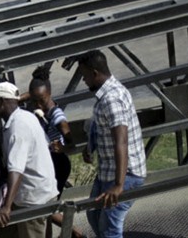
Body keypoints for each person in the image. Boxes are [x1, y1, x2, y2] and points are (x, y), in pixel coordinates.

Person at [78, 50, 146, 238]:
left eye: (84, 76)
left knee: (109, 228)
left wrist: (118, 185)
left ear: (94, 73)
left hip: (125, 174)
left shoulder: (111, 98)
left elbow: (121, 140)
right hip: (108, 170)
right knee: (94, 214)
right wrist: (90, 145)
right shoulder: (107, 93)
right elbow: (103, 126)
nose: (84, 81)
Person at [0, 82, 57, 238]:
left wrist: (7, 207)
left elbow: (16, 169)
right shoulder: (27, 116)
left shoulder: (18, 127)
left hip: (32, 200)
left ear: (0, 102)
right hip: (42, 192)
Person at [28, 68, 83, 238]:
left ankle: (75, 232)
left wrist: (62, 147)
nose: (37, 105)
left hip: (57, 164)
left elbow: (71, 142)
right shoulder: (40, 106)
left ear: (50, 94)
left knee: (46, 207)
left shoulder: (56, 114)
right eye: (34, 101)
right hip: (49, 163)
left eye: (41, 100)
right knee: (45, 206)